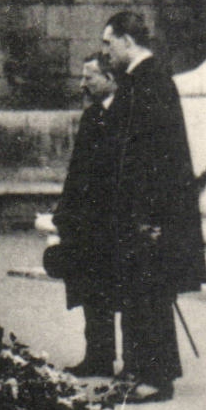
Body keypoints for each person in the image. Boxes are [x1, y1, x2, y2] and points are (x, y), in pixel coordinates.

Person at [98, 11, 206, 403]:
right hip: (138, 212)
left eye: (109, 42)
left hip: (149, 215)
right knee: (136, 293)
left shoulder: (151, 81)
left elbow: (156, 157)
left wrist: (149, 217)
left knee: (150, 294)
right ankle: (138, 370)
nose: (105, 51)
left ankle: (156, 378)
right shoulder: (140, 80)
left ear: (128, 40)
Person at [50, 54, 119, 377]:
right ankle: (99, 357)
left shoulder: (127, 114)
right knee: (91, 291)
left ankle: (134, 363)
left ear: (110, 78)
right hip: (87, 221)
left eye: (89, 78)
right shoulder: (92, 115)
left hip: (113, 220)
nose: (82, 85)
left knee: (118, 291)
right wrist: (64, 213)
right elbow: (77, 170)